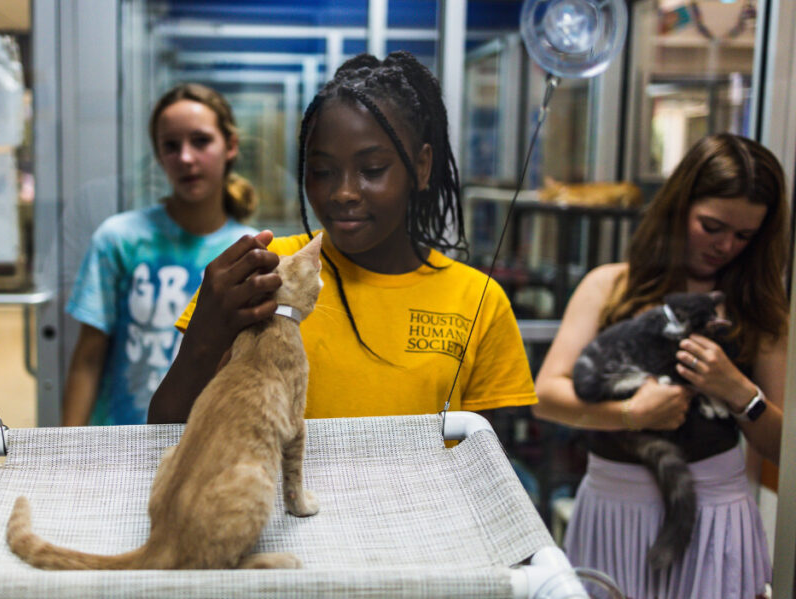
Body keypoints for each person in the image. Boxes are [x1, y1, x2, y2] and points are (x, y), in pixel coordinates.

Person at [148, 51, 537, 424]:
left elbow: (481, 463)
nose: (343, 192)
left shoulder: (477, 301)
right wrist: (206, 334)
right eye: (322, 171)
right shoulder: (270, 271)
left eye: (372, 168)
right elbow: (168, 432)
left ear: (421, 167)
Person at [533, 133, 788, 599]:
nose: (726, 245)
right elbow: (547, 396)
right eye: (711, 226)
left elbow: (784, 449)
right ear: (678, 207)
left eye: (745, 236)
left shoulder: (761, 311)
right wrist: (631, 415)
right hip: (613, 507)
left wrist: (739, 392)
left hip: (714, 514)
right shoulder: (609, 286)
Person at [62, 83, 258, 426]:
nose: (185, 158)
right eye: (171, 145)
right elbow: (88, 360)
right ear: (158, 156)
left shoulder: (250, 251)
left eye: (200, 141)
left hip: (209, 443)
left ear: (230, 146)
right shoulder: (120, 239)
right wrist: (68, 457)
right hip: (122, 443)